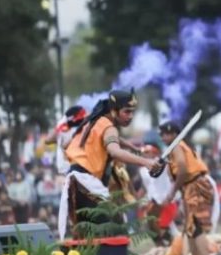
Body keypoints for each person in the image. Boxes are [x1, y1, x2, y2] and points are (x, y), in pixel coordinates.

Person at [59, 89, 161, 240]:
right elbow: (114, 151)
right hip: (86, 184)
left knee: (90, 236)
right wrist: (146, 162)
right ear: (114, 110)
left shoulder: (94, 120)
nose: (130, 116)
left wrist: (133, 148)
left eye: (132, 112)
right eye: (127, 112)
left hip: (77, 183)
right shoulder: (108, 127)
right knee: (115, 231)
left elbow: (67, 143)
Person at [159, 121, 220, 255]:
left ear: (174, 134)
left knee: (196, 225)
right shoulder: (175, 148)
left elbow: (183, 170)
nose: (164, 137)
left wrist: (172, 191)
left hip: (195, 185)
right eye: (162, 134)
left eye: (167, 134)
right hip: (189, 188)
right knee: (189, 227)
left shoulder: (177, 146)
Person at [139, 144, 179, 246]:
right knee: (152, 227)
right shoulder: (142, 169)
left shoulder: (164, 164)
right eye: (144, 152)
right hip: (153, 200)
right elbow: (145, 186)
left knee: (164, 226)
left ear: (155, 152)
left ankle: (174, 247)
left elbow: (173, 177)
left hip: (166, 199)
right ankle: (161, 247)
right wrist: (137, 199)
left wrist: (172, 194)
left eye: (148, 152)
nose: (145, 154)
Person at [46, 106, 87, 176]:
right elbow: (48, 140)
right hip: (68, 167)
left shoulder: (81, 128)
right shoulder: (63, 129)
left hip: (74, 167)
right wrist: (58, 127)